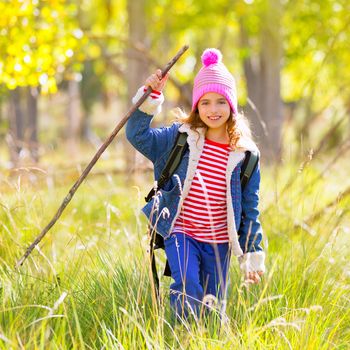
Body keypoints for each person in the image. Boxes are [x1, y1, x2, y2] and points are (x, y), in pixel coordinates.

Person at [126, 48, 265, 320]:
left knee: (213, 309)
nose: (213, 110)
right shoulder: (181, 138)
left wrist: (253, 253)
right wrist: (150, 96)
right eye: (205, 102)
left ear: (232, 105)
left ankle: (208, 339)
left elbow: (251, 209)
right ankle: (182, 338)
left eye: (220, 102)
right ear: (196, 106)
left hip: (220, 243)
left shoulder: (245, 155)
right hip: (182, 232)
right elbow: (137, 135)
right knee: (187, 288)